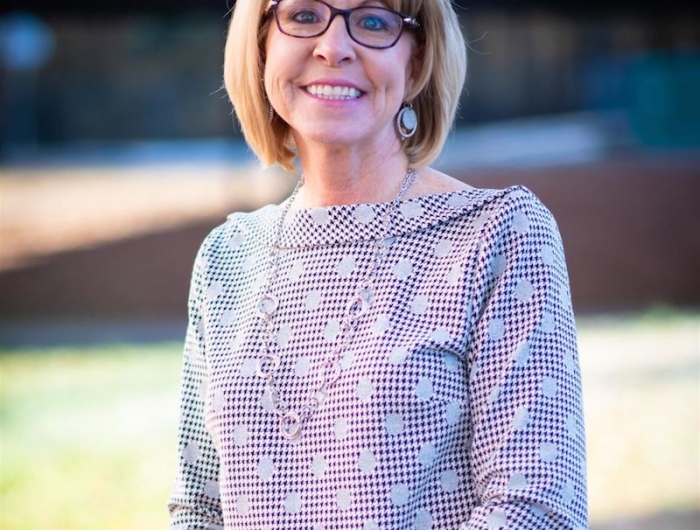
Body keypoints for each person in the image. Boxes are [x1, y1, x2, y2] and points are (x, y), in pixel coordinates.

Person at [168, 0, 588, 528]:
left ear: (416, 63)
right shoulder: (227, 257)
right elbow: (199, 508)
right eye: (302, 16)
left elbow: (538, 511)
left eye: (372, 21)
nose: (333, 47)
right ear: (260, 44)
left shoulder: (499, 233)